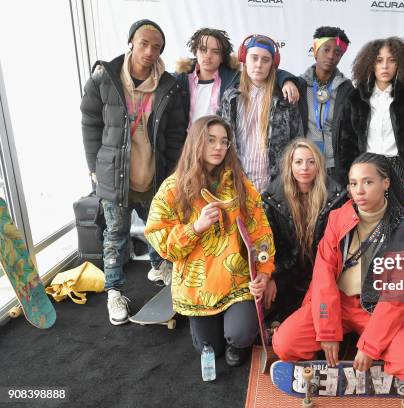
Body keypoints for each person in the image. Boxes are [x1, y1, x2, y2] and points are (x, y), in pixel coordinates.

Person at [273, 152, 404, 382]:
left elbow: (397, 295)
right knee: (284, 345)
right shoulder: (339, 217)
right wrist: (327, 330)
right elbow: (323, 275)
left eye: (368, 182)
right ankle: (343, 340)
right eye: (354, 183)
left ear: (385, 183)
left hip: (378, 309)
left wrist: (370, 346)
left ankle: (363, 345)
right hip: (338, 302)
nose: (359, 190)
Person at [145, 115, 275, 367]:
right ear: (196, 143)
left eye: (224, 142)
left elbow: (261, 233)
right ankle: (216, 334)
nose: (218, 147)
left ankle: (239, 339)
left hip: (238, 284)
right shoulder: (173, 188)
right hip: (198, 291)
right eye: (211, 140)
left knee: (239, 335)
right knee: (209, 350)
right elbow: (163, 245)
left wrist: (265, 273)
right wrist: (195, 228)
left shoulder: (239, 184)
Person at [80, 19, 187, 325]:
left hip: (153, 174)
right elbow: (90, 123)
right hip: (115, 174)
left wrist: (173, 172)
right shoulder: (105, 77)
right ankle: (114, 292)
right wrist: (93, 169)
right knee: (115, 235)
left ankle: (159, 266)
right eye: (144, 43)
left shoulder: (169, 85)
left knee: (157, 228)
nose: (149, 51)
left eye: (156, 47)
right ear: (131, 43)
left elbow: (177, 133)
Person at [337, 37, 404, 211]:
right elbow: (347, 144)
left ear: (400, 64)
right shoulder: (356, 97)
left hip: (398, 168)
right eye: (379, 60)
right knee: (367, 221)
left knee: (397, 221)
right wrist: (349, 181)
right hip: (366, 167)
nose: (385, 66)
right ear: (370, 63)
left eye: (392, 60)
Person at [262, 138, 347, 323]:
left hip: (324, 275)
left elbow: (339, 250)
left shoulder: (336, 197)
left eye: (311, 161)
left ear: (319, 165)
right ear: (289, 165)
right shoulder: (272, 199)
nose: (304, 168)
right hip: (288, 274)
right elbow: (270, 246)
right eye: (298, 162)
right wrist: (271, 277)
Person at [219, 34, 304, 192]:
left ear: (273, 64)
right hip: (237, 181)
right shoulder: (230, 97)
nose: (259, 64)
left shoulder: (285, 99)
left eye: (265, 60)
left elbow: (297, 141)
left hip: (275, 185)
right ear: (244, 59)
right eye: (254, 58)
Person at [175, 28, 300, 127]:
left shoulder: (233, 77)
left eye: (215, 51)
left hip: (219, 148)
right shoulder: (181, 79)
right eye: (203, 49)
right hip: (189, 146)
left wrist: (287, 81)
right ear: (195, 51)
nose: (208, 56)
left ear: (223, 56)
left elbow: (265, 71)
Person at [296, 26, 353, 181]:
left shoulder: (346, 88)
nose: (331, 56)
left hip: (334, 166)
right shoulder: (298, 84)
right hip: (304, 164)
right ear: (315, 50)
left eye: (337, 52)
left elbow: (351, 132)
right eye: (326, 50)